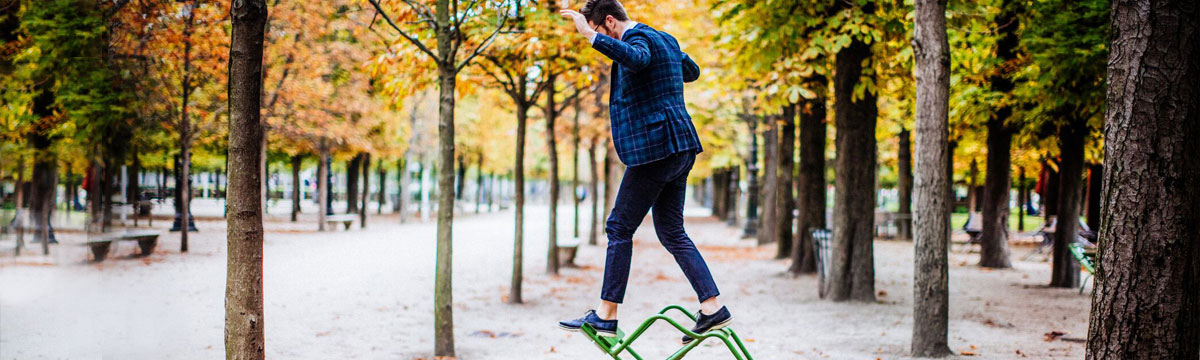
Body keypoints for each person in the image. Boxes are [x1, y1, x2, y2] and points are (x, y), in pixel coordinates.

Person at [556, 0, 731, 345]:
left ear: (609, 21)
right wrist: (670, 56)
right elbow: (691, 70)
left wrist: (590, 35)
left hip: (656, 149)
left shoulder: (639, 41)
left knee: (618, 227)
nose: (608, 43)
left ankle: (606, 315)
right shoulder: (663, 38)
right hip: (681, 146)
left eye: (603, 30)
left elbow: (636, 58)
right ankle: (712, 308)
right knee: (671, 231)